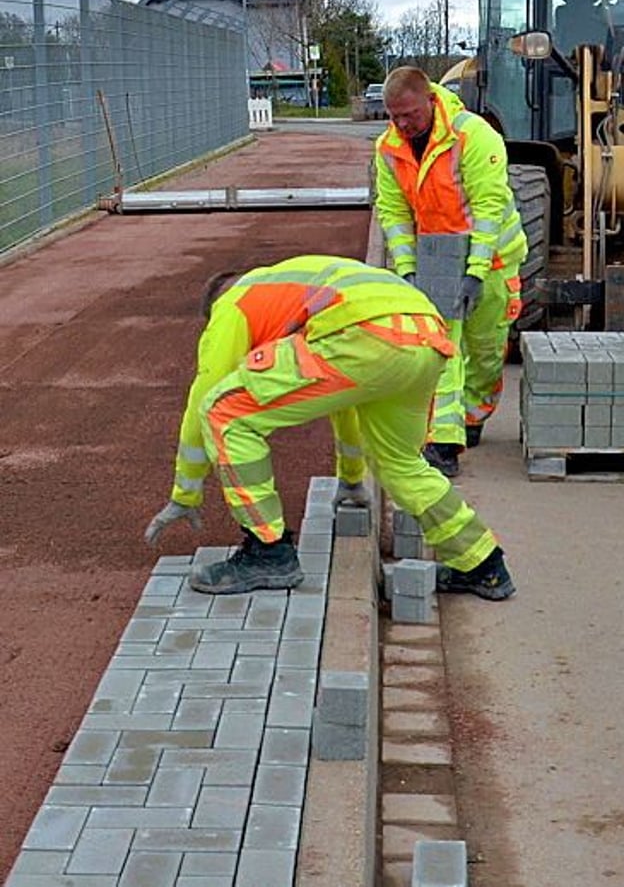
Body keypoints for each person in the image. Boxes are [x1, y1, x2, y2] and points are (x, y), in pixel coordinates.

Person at [144, 255, 516, 600]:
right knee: (402, 463)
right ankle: (484, 565)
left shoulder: (232, 303)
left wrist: (186, 492)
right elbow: (344, 400)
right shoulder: (301, 284)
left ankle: (269, 552)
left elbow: (204, 397)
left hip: (365, 333)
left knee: (225, 411)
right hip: (425, 334)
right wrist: (353, 481)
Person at [374, 65, 527, 477]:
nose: (403, 125)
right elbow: (393, 212)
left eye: (410, 115)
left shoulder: (474, 136)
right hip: (437, 262)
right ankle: (443, 441)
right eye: (394, 117)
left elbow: (487, 209)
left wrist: (476, 272)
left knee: (487, 349)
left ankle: (473, 416)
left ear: (430, 99)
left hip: (493, 261)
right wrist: (408, 272)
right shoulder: (389, 149)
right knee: (443, 347)